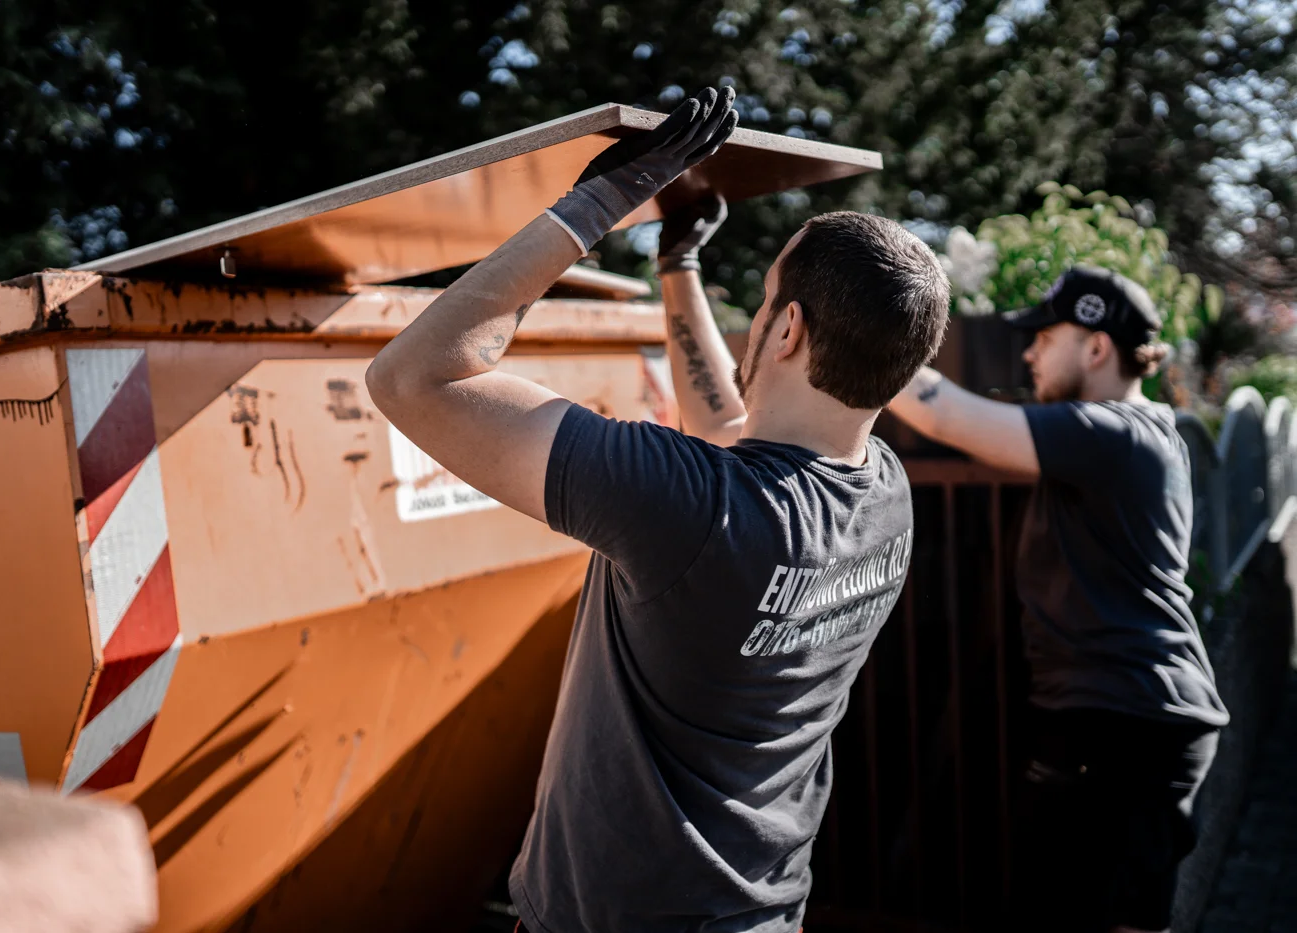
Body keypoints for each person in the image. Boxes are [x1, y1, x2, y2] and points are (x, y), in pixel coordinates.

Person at [366, 86, 950, 933]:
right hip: (759, 910)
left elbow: (414, 376)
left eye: (768, 294)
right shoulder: (882, 492)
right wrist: (680, 268)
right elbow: (733, 427)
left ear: (785, 333)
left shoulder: (687, 505)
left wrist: (598, 202)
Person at [887, 266, 1229, 933]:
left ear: (1096, 347)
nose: (1028, 352)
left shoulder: (1112, 432)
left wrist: (860, 341)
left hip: (1123, 723)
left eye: (1046, 336)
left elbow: (943, 413)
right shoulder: (1135, 433)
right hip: (1135, 720)